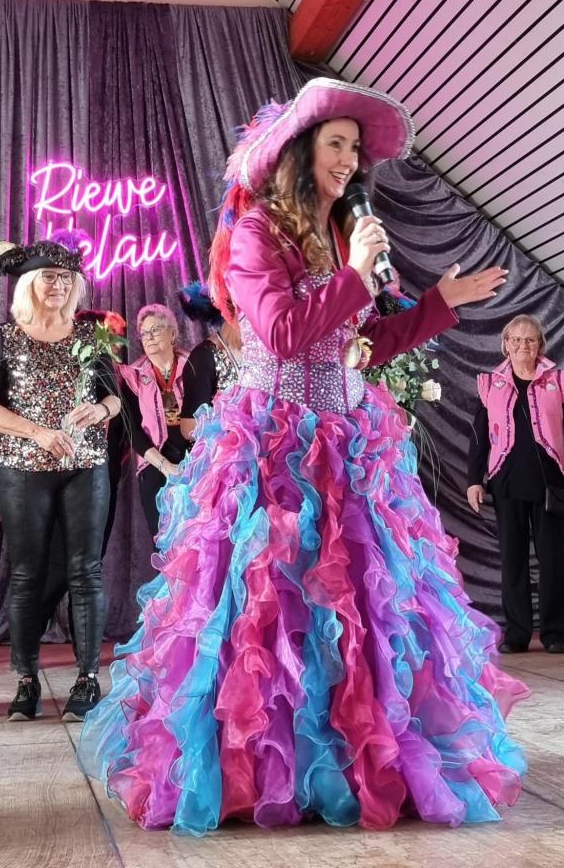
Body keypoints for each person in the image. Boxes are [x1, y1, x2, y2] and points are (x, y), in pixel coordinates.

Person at [80, 77, 527, 834]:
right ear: (299, 153)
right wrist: (353, 274)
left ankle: (353, 757)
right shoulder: (257, 232)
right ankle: (264, 766)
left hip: (351, 442)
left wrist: (440, 303)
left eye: (355, 148)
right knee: (270, 606)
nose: (350, 159)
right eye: (336, 144)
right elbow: (284, 334)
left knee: (357, 608)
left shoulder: (342, 233)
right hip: (273, 446)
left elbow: (361, 346)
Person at [0, 238, 121, 721]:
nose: (59, 285)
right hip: (23, 468)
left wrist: (99, 410)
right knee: (27, 574)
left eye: (66, 278)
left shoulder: (90, 335)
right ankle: (26, 682)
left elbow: (115, 398)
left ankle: (87, 680)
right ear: (29, 283)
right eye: (49, 276)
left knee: (86, 572)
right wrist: (39, 433)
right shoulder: (1, 336)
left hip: (86, 465)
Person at [467, 314, 564, 655]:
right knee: (513, 559)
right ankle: (517, 633)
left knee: (553, 560)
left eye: (530, 340)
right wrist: (474, 480)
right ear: (505, 344)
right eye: (516, 340)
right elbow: (479, 436)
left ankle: (555, 632)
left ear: (540, 345)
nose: (523, 345)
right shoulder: (490, 384)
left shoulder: (557, 380)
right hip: (505, 480)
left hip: (550, 482)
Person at [39, 308, 129, 639]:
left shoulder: (116, 380)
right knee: (59, 565)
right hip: (61, 478)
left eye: (113, 340)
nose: (111, 346)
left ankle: (84, 642)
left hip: (104, 478)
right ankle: (30, 628)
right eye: (105, 339)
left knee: (91, 561)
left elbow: (123, 426)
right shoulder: (60, 375)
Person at [119, 304, 188, 538]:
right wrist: (165, 466)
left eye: (155, 330)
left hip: (197, 457)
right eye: (144, 333)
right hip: (155, 463)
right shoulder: (133, 376)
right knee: (164, 539)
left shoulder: (194, 365)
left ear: (173, 334)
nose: (149, 337)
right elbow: (132, 431)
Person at [177, 282, 241, 448]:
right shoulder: (204, 356)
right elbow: (188, 428)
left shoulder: (264, 351)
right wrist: (235, 426)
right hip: (222, 456)